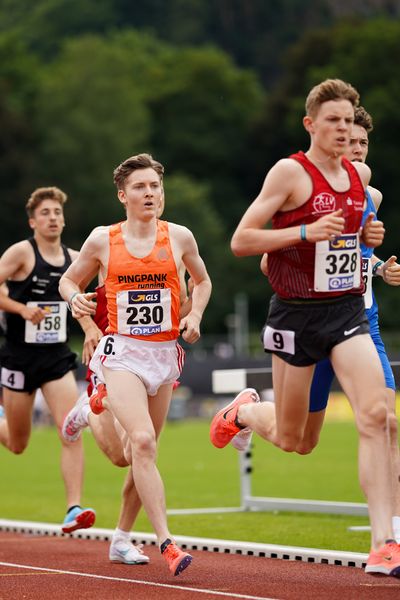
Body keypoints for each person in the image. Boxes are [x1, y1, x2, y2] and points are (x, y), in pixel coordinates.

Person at [209, 79, 400, 577]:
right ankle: (246, 413)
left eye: (348, 121)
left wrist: (369, 239)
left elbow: (354, 245)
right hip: (295, 318)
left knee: (378, 415)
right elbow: (242, 240)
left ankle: (384, 543)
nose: (342, 130)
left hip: (346, 314)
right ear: (311, 124)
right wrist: (302, 232)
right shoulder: (291, 173)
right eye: (333, 121)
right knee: (297, 440)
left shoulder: (361, 184)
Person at [58, 153, 212, 576]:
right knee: (142, 442)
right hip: (121, 352)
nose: (150, 194)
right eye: (141, 187)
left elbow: (202, 281)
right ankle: (167, 542)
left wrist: (194, 315)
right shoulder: (102, 240)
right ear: (123, 195)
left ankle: (122, 538)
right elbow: (69, 280)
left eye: (155, 187)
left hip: (164, 355)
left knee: (136, 454)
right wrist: (76, 300)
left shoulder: (179, 237)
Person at [0, 186, 95, 533]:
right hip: (19, 358)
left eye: (57, 212)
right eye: (45, 213)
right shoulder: (22, 254)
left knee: (69, 429)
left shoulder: (75, 259)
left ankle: (74, 507)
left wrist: (89, 328)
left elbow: (84, 301)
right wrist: (21, 309)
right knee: (17, 444)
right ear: (33, 221)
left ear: (64, 218)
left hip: (56, 356)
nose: (53, 217)